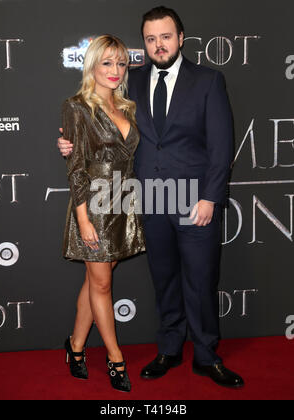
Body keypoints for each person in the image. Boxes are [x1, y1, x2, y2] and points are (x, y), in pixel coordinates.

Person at [59, 7, 244, 389]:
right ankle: (170, 349)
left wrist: (210, 197)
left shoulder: (208, 81)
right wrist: (68, 142)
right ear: (144, 43)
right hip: (148, 201)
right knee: (165, 281)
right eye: (150, 39)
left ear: (180, 38)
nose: (159, 44)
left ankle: (207, 357)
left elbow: (222, 147)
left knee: (201, 281)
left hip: (195, 201)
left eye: (166, 36)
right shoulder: (130, 81)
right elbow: (97, 121)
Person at [62, 34, 145, 393]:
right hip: (93, 205)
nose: (114, 70)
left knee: (96, 280)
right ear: (92, 66)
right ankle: (115, 359)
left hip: (124, 202)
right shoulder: (77, 106)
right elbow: (77, 167)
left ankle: (75, 347)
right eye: (106, 62)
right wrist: (82, 219)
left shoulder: (128, 106)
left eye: (121, 63)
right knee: (102, 284)